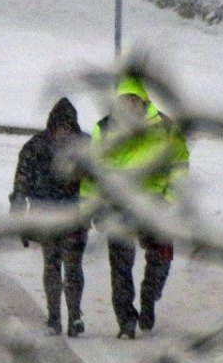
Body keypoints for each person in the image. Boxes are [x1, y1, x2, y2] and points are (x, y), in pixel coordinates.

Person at [81, 75, 190, 339]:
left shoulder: (164, 127)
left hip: (154, 203)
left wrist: (170, 198)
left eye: (133, 100)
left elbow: (179, 164)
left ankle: (149, 298)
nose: (129, 105)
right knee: (120, 265)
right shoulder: (104, 129)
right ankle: (126, 321)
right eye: (124, 100)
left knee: (161, 258)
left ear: (143, 101)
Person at [10, 97, 88, 337]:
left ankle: (67, 316)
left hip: (62, 215)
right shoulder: (84, 146)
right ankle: (62, 316)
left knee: (63, 267)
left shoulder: (36, 146)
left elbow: (22, 182)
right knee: (59, 267)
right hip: (63, 215)